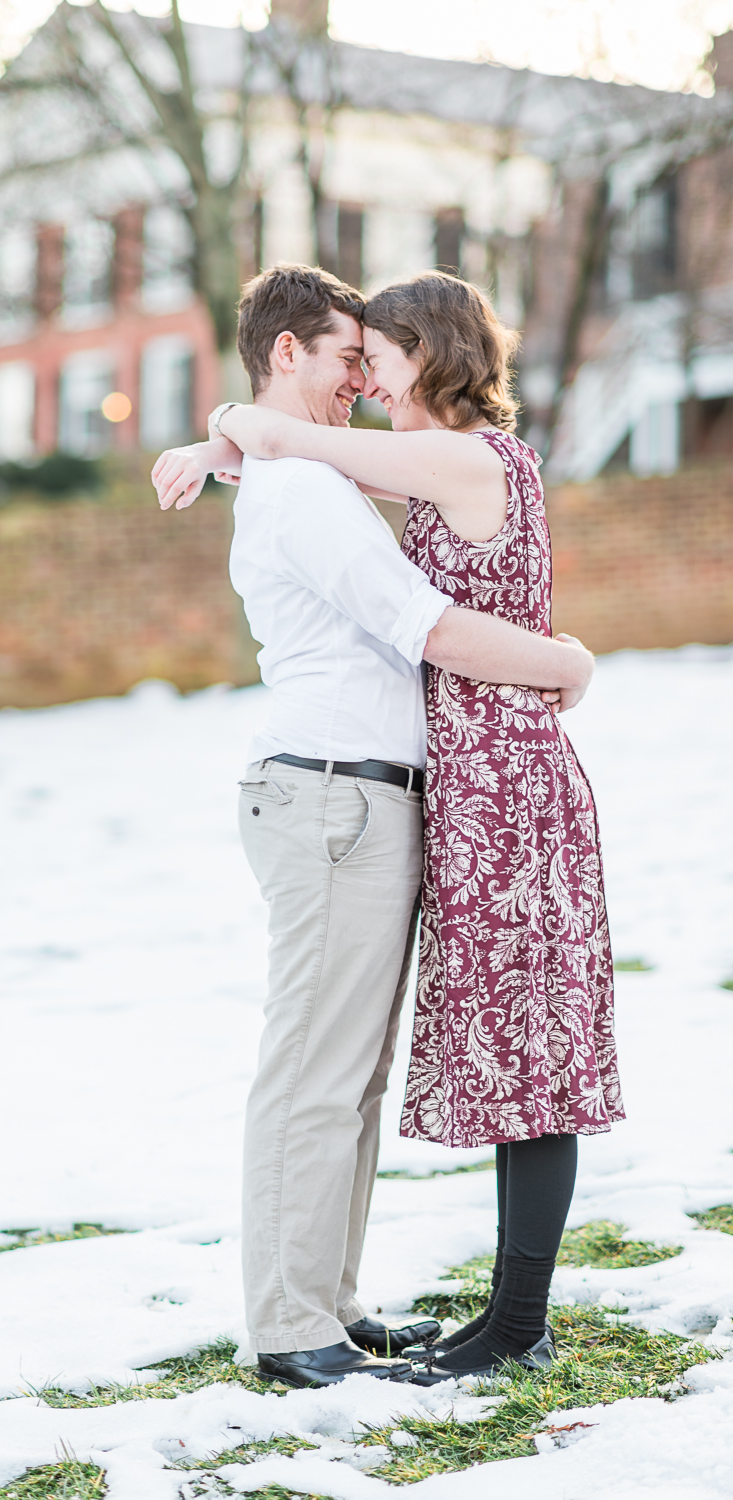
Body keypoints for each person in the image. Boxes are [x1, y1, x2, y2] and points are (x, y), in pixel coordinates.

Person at [151, 265, 601, 1389]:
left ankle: (327, 1303)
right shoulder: (306, 483)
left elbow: (289, 436)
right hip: (335, 796)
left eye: (376, 356)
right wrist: (564, 662)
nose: (361, 379)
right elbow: (423, 624)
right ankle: (290, 1323)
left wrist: (223, 439)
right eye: (346, 358)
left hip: (381, 794)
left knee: (345, 1072)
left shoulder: (325, 470)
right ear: (287, 353)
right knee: (316, 1069)